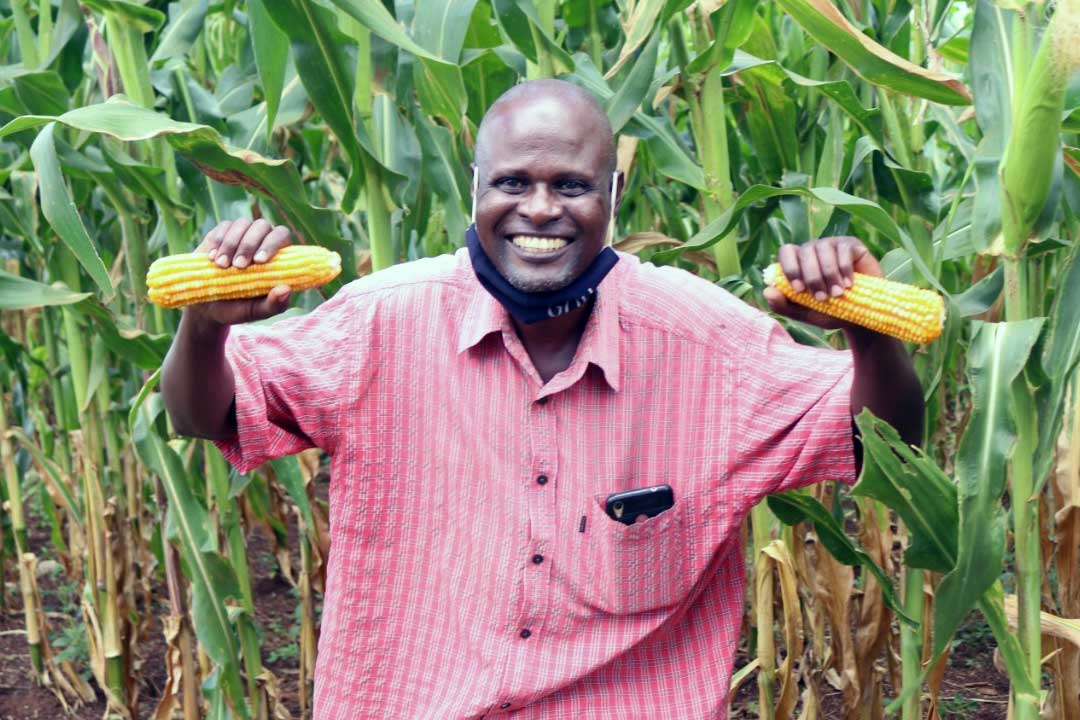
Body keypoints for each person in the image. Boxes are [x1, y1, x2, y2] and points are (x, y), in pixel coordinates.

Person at [161, 79, 923, 719]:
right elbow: (204, 414)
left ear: (613, 194)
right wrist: (204, 325)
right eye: (514, 183)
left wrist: (866, 329)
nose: (540, 209)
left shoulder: (708, 346)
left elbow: (884, 441)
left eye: (571, 185)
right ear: (476, 189)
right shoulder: (379, 323)